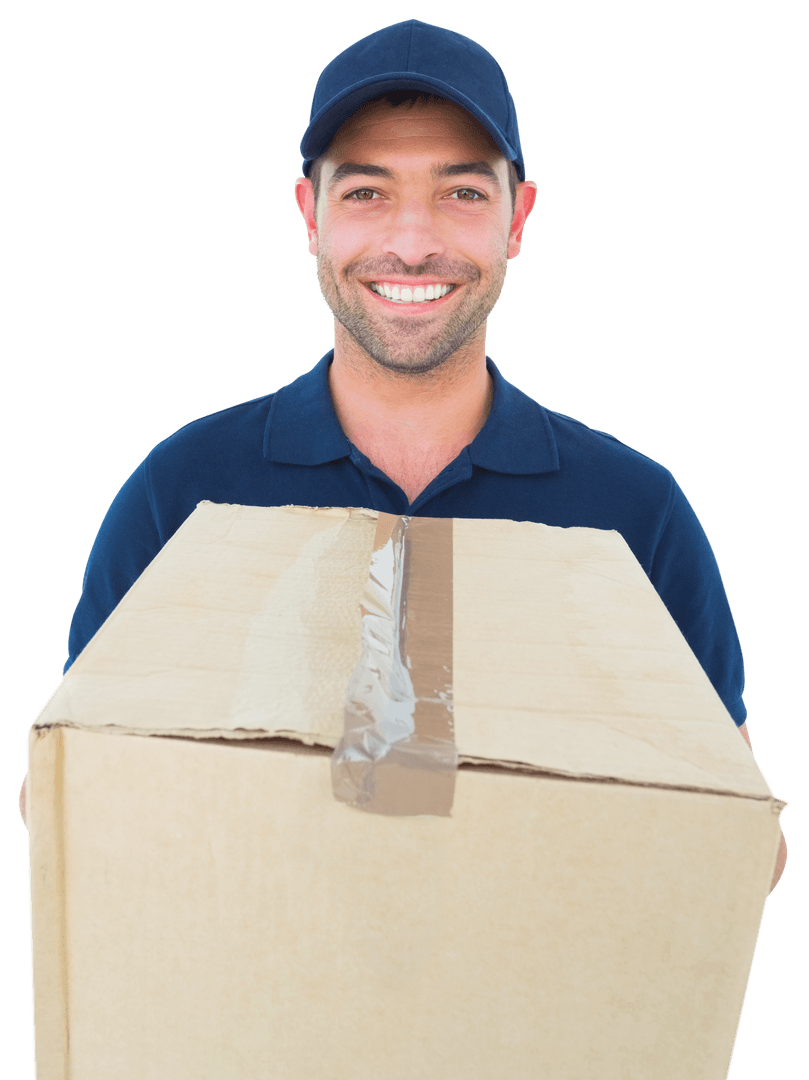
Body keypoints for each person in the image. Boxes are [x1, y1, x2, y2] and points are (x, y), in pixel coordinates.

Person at [19, 19, 787, 890]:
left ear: (517, 218)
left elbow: (743, 844)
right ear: (310, 215)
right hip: (251, 1007)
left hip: (535, 1009)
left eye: (461, 193)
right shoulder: (187, 493)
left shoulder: (629, 511)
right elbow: (64, 799)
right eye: (367, 193)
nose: (413, 242)